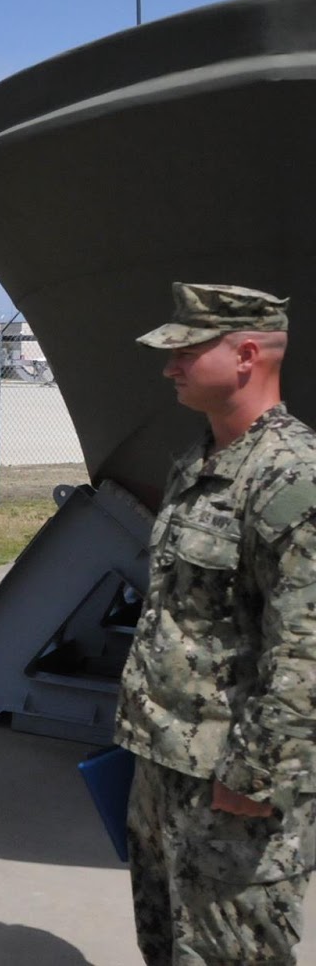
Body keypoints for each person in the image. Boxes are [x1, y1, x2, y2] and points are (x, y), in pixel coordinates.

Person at [116, 282, 316, 965]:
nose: (170, 366)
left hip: (234, 786)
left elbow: (306, 651)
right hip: (166, 764)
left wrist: (256, 779)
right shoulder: (198, 463)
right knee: (167, 944)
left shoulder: (290, 477)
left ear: (247, 355)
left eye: (186, 351)